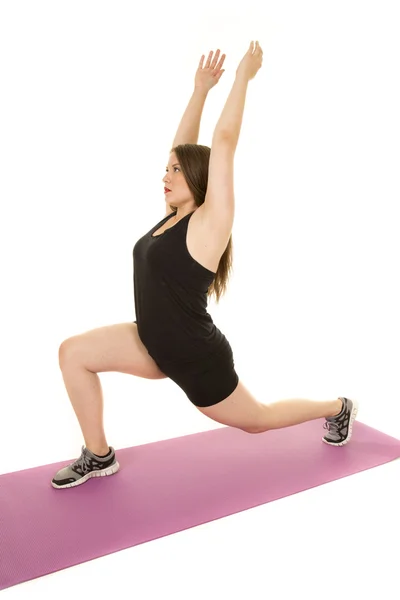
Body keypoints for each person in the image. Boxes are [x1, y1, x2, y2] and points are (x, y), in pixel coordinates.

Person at [52, 41, 358, 490]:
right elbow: (185, 145)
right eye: (167, 169)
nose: (165, 175)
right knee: (73, 353)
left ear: (196, 179)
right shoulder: (171, 219)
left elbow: (223, 143)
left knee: (259, 420)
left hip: (197, 357)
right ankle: (99, 456)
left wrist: (242, 79)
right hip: (152, 343)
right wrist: (199, 90)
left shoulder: (210, 223)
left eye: (175, 171)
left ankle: (337, 406)